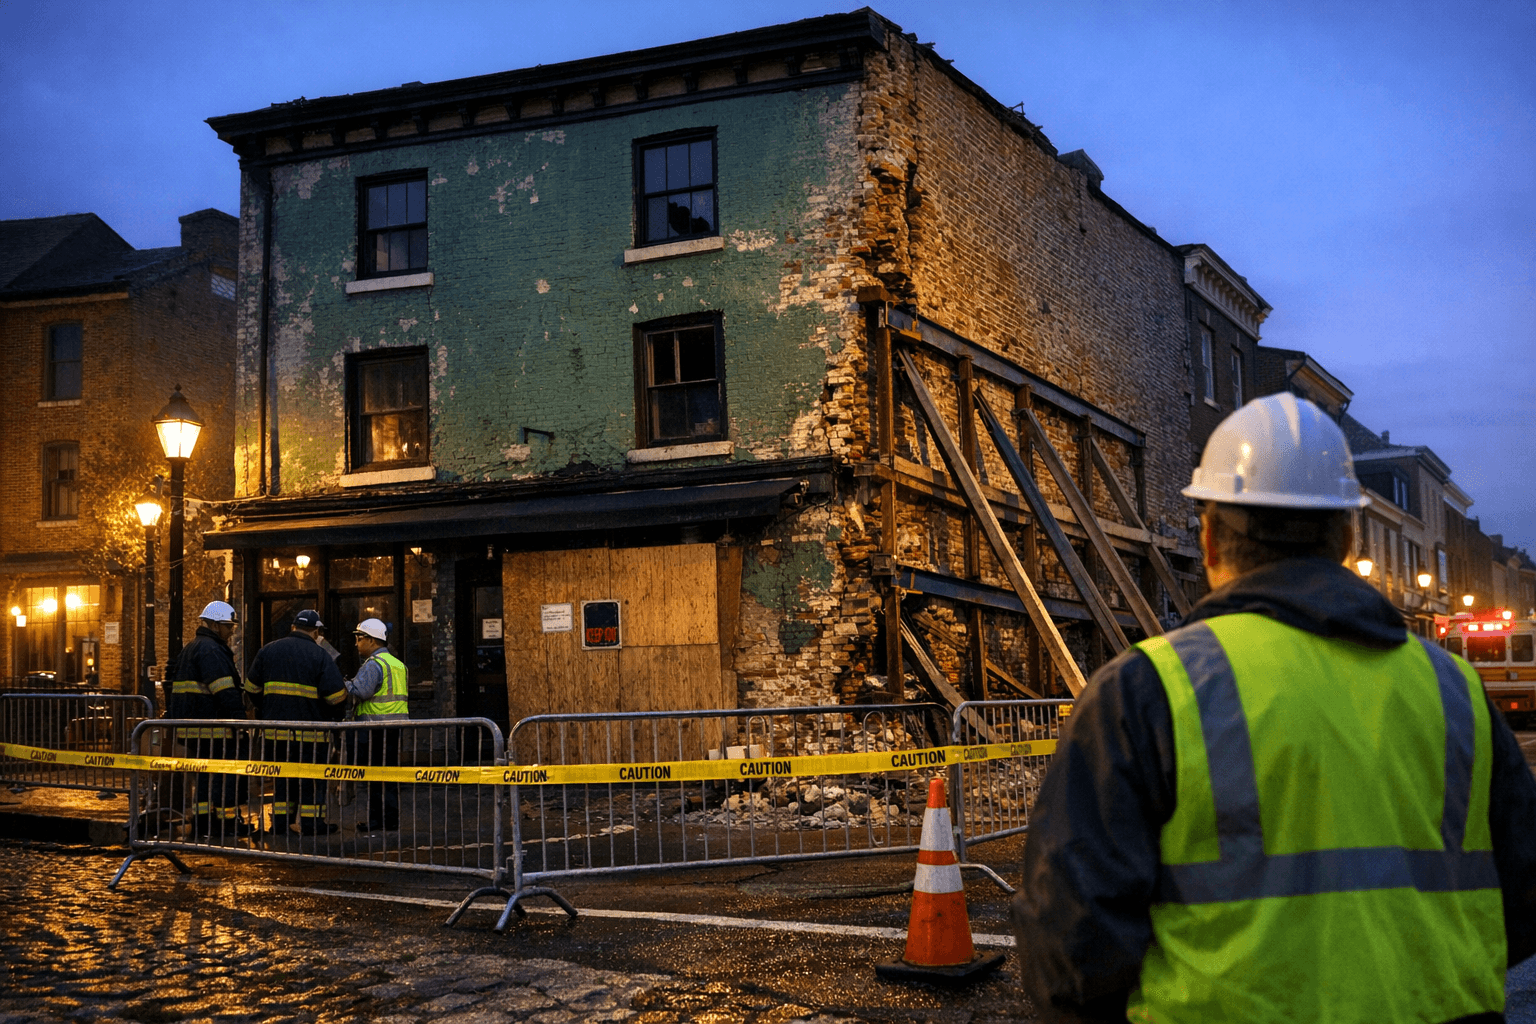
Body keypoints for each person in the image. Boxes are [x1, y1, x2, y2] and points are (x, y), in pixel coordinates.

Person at [1010, 392, 1536, 1024]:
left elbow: (1072, 950)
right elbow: (1522, 902)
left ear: (1207, 538)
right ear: (1347, 536)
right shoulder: (1454, 691)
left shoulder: (1148, 691)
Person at [245, 609, 348, 837]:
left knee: (282, 778)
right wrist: (333, 716)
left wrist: (268, 707)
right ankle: (312, 825)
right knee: (312, 780)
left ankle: (281, 825)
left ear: (292, 627)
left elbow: (251, 688)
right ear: (316, 632)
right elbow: (337, 697)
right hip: (311, 734)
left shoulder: (268, 650)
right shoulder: (320, 655)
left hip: (275, 733)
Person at [166, 600, 249, 839]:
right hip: (215, 728)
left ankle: (203, 823)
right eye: (227, 626)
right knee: (226, 775)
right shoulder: (212, 650)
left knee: (203, 776)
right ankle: (228, 823)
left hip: (194, 728)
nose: (231, 630)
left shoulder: (192, 648)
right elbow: (224, 690)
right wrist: (240, 720)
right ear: (213, 624)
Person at [344, 617, 408, 832]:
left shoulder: (374, 664)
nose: (356, 643)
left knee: (373, 777)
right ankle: (389, 820)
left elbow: (361, 692)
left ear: (371, 640)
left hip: (373, 729)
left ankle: (375, 821)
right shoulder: (398, 664)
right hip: (393, 729)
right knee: (388, 777)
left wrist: (344, 684)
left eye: (359, 638)